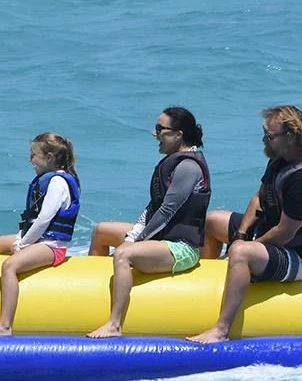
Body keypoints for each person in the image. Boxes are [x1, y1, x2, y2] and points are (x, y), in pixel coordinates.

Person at [191, 105, 302, 344]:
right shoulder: (281, 158)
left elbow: (285, 233)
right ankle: (207, 282)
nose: (264, 140)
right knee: (211, 221)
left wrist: (245, 247)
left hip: (299, 256)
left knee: (242, 253)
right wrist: (241, 234)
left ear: (290, 137)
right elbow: (260, 197)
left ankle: (221, 330)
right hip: (268, 234)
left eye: (269, 135)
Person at [87, 107, 211, 338]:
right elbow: (153, 206)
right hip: (162, 238)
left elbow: (167, 211)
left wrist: (136, 242)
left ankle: (114, 324)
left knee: (123, 254)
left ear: (179, 134)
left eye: (160, 129)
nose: (155, 134)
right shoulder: (172, 163)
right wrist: (134, 234)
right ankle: (90, 296)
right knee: (102, 231)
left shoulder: (188, 166)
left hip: (181, 248)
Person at [0, 132, 81, 336]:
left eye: (33, 155)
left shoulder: (57, 183)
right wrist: (21, 239)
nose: (30, 159)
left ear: (49, 157)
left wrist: (23, 245)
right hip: (37, 240)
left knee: (10, 265)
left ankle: (4, 326)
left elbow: (44, 219)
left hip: (52, 246)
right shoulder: (47, 180)